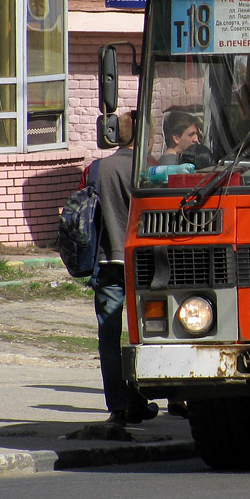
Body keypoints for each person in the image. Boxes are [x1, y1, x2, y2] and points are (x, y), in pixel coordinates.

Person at [86, 110, 158, 426]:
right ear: (147, 137)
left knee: (109, 337)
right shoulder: (150, 170)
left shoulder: (98, 168)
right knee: (147, 334)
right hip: (145, 263)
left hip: (106, 261)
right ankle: (150, 399)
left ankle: (119, 407)